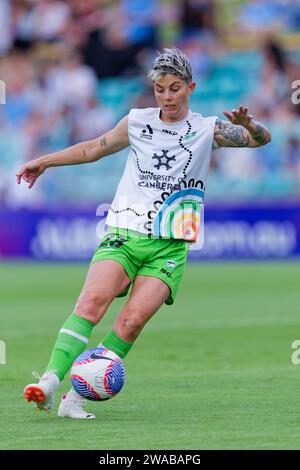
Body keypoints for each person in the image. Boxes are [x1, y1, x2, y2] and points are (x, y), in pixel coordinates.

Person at [17, 48, 272, 419]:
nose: (167, 97)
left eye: (175, 88)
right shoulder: (137, 121)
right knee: (91, 303)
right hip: (124, 232)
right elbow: (92, 149)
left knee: (131, 322)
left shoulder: (207, 128)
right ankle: (51, 381)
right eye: (160, 89)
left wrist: (249, 125)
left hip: (170, 244)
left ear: (191, 87)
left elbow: (259, 140)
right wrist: (44, 161)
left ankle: (77, 396)